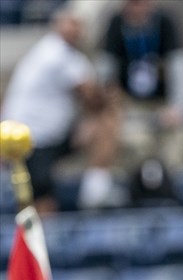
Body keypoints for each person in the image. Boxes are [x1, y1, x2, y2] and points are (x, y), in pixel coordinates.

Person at [0, 7, 119, 212]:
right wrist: (112, 92)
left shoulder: (54, 52)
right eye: (70, 23)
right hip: (33, 142)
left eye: (78, 24)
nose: (76, 30)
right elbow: (92, 97)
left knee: (42, 201)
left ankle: (96, 187)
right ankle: (95, 190)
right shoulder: (57, 54)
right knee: (41, 204)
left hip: (43, 139)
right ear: (58, 25)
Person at [96, 0, 183, 180]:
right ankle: (135, 188)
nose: (135, 9)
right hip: (132, 104)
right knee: (133, 141)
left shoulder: (165, 21)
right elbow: (106, 66)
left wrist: (178, 107)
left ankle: (172, 186)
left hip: (162, 102)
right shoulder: (117, 23)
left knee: (180, 137)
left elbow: (181, 64)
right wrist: (112, 102)